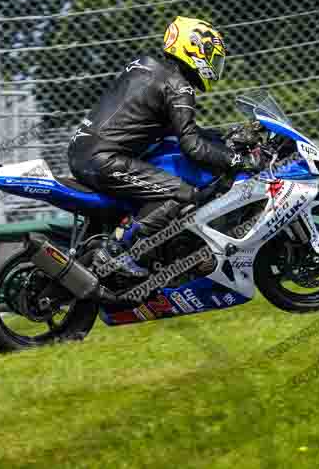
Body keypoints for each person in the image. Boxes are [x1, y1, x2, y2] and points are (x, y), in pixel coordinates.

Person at [67, 16, 260, 278]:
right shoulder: (179, 86)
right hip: (105, 160)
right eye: (212, 58)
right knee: (180, 193)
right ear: (194, 50)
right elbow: (192, 145)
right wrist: (236, 160)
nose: (215, 66)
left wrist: (221, 139)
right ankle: (115, 250)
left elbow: (174, 128)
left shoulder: (146, 67)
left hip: (84, 153)